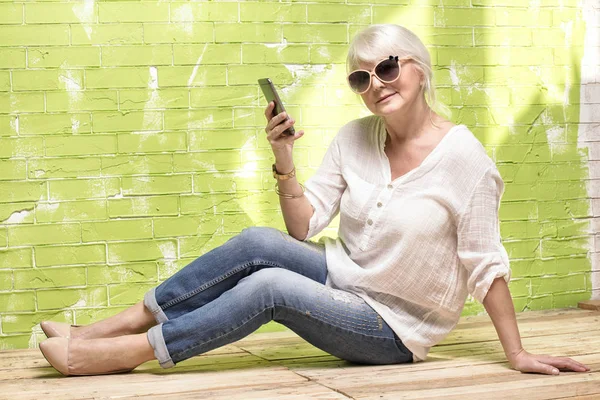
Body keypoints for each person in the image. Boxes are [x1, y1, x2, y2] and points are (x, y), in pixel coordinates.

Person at [38, 24, 589, 377]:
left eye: (388, 67)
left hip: (391, 326)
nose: (376, 83)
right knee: (260, 242)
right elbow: (301, 229)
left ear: (420, 70)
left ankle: (131, 352)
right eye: (361, 76)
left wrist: (516, 354)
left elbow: (485, 264)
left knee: (270, 286)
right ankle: (111, 327)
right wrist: (284, 159)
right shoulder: (356, 137)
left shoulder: (466, 159)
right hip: (345, 277)